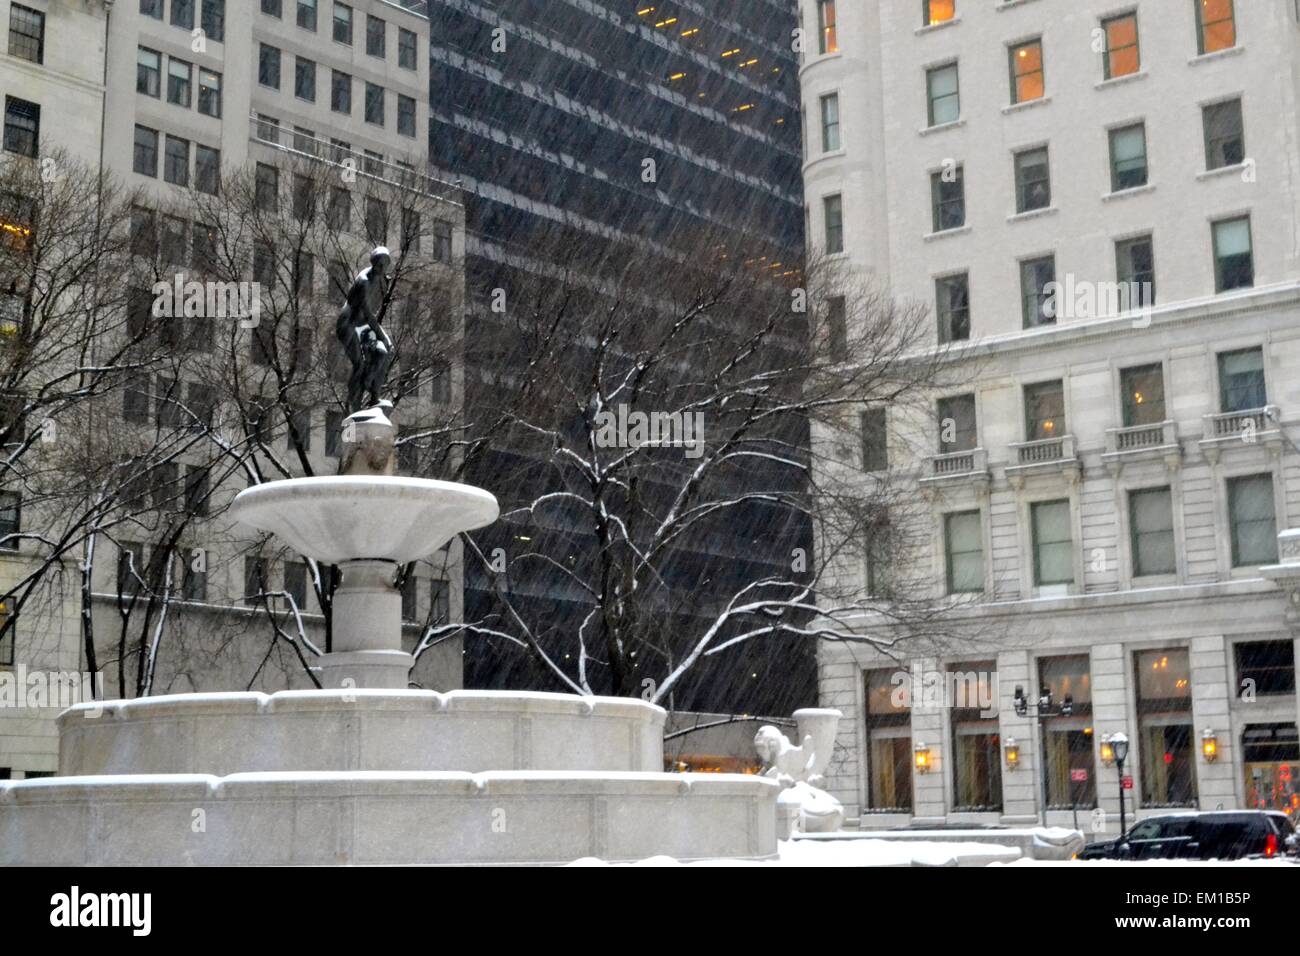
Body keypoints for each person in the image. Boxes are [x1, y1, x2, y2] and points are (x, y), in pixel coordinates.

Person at [335, 246, 395, 411]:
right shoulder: (364, 282)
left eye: (385, 265)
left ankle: (373, 392)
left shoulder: (376, 279)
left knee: (383, 352)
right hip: (347, 325)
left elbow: (368, 316)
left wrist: (382, 339)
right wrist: (382, 335)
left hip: (361, 325)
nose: (382, 269)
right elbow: (368, 314)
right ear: (374, 263)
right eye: (380, 264)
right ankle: (353, 403)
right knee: (359, 364)